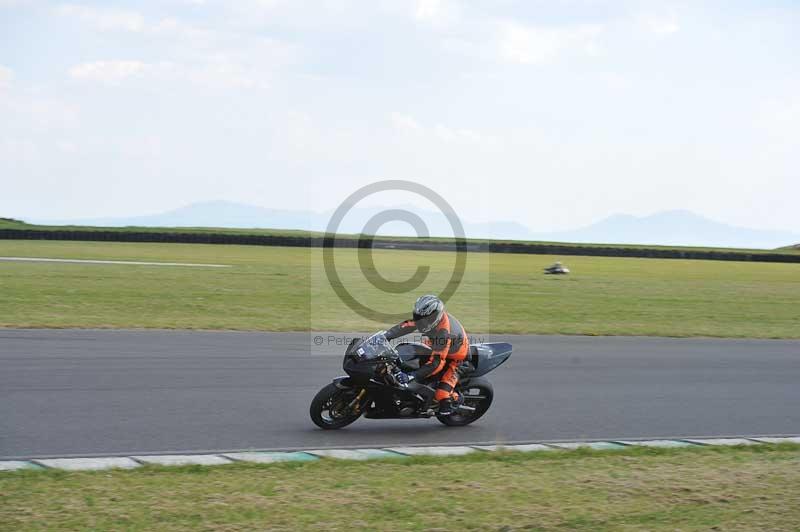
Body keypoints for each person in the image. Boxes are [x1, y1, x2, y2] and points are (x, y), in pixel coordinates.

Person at [385, 294, 469, 415]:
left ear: (434, 317)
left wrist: (411, 376)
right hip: (435, 345)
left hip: (457, 359)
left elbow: (437, 363)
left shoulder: (443, 334)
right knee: (407, 353)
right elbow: (407, 325)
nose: (419, 321)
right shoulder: (427, 319)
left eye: (423, 319)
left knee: (441, 395)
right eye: (418, 317)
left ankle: (456, 400)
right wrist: (386, 336)